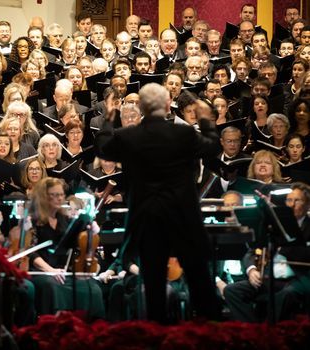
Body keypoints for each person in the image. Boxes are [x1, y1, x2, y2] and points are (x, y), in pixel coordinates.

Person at [95, 82, 221, 323]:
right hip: (182, 216)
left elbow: (102, 148)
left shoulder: (127, 136)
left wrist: (111, 117)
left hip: (146, 217)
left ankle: (157, 335)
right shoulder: (184, 134)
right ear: (167, 105)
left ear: (141, 107)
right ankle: (210, 332)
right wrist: (205, 121)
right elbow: (212, 147)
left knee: (153, 286)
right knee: (199, 279)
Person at [224, 182, 310, 322]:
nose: (292, 204)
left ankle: (268, 334)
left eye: (297, 200)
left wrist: (285, 246)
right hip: (269, 277)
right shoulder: (274, 223)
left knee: (287, 294)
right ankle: (254, 332)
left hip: (297, 279)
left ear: (307, 205)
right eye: (289, 200)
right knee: (232, 291)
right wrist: (252, 269)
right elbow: (252, 250)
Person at [28, 177, 105, 318]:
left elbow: (77, 242)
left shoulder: (64, 219)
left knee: (92, 288)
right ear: (44, 196)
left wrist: (91, 230)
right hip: (41, 272)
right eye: (55, 195)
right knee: (52, 286)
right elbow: (31, 252)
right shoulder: (33, 219)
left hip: (63, 272)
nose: (60, 198)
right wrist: (50, 270)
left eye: (61, 195)